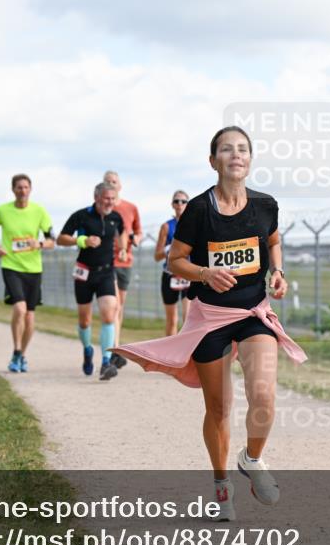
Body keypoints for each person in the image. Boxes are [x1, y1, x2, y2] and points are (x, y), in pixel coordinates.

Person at [112, 127, 306, 522]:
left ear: (250, 160)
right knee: (219, 407)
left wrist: (279, 271)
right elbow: (175, 260)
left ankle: (252, 459)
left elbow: (271, 241)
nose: (236, 155)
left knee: (264, 395)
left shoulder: (266, 204)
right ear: (213, 160)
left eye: (243, 150)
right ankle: (221, 484)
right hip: (211, 319)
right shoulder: (200, 209)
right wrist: (204, 273)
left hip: (253, 313)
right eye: (226, 149)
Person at [0, 173, 55, 373]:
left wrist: (39, 243)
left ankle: (22, 355)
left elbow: (52, 241)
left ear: (30, 189)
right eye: (19, 187)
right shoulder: (3, 211)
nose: (22, 191)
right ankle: (16, 350)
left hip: (33, 268)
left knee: (30, 317)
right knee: (20, 309)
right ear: (13, 189)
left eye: (26, 187)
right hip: (11, 265)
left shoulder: (39, 211)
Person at [57, 182, 126, 380]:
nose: (110, 202)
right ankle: (88, 350)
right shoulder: (81, 216)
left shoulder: (116, 217)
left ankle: (106, 362)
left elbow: (120, 235)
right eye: (106, 198)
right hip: (84, 273)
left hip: (106, 272)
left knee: (109, 314)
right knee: (85, 320)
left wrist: (121, 249)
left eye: (113, 199)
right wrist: (82, 241)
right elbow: (61, 239)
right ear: (96, 197)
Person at [105, 170, 142, 369]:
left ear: (120, 185)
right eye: (107, 181)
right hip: (107, 261)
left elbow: (138, 231)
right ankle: (115, 349)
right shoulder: (102, 209)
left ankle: (115, 345)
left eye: (114, 181)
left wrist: (136, 239)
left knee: (119, 307)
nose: (111, 184)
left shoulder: (130, 208)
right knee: (114, 306)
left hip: (125, 261)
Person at [155, 190, 192, 336]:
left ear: (188, 205)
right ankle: (169, 357)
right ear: (172, 204)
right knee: (172, 320)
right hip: (170, 275)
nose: (180, 204)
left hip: (188, 275)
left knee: (188, 318)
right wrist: (169, 250)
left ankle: (188, 356)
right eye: (176, 201)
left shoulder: (193, 225)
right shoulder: (166, 227)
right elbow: (157, 256)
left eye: (183, 201)